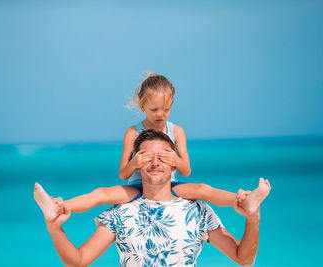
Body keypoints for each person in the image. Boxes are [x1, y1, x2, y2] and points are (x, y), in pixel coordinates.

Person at [34, 130, 270, 266]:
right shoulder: (119, 213)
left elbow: (244, 259)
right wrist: (54, 228)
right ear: (137, 165)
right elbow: (78, 260)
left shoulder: (199, 211)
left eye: (163, 156)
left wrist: (253, 216)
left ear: (174, 164)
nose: (155, 162)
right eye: (147, 157)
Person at [63, 72, 269, 215]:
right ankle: (61, 206)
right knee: (101, 193)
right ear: (143, 106)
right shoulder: (133, 132)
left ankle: (243, 200)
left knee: (203, 189)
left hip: (170, 186)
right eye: (154, 110)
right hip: (137, 187)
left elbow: (186, 171)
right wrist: (135, 164)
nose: (161, 115)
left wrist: (175, 159)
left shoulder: (177, 131)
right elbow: (123, 174)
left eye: (166, 109)